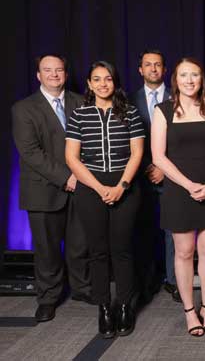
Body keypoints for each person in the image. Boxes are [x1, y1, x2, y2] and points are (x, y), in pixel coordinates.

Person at [65, 61, 145, 338]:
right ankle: (104, 308)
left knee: (122, 249)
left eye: (107, 79)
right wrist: (99, 188)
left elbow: (137, 153)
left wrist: (122, 185)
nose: (102, 84)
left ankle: (124, 305)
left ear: (115, 82)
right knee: (98, 251)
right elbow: (71, 158)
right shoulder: (78, 115)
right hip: (91, 186)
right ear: (88, 84)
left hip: (125, 185)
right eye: (96, 79)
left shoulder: (131, 113)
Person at [151, 57, 205, 337]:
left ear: (202, 79)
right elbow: (158, 156)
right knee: (184, 252)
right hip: (178, 190)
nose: (189, 80)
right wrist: (188, 185)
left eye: (194, 75)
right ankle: (189, 311)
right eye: (184, 75)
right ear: (176, 79)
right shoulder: (163, 111)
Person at [11, 54, 91, 323]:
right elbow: (31, 152)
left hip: (81, 187)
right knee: (46, 249)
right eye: (48, 70)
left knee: (80, 244)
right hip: (43, 190)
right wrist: (67, 177)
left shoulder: (82, 102)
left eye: (59, 70)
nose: (54, 74)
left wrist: (83, 177)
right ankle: (48, 298)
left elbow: (90, 144)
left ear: (66, 74)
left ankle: (82, 289)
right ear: (38, 75)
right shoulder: (23, 109)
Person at [129, 49, 178, 304]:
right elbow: (126, 141)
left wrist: (163, 167)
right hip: (140, 175)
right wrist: (149, 166)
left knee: (174, 229)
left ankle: (173, 280)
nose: (153, 69)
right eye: (148, 65)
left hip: (171, 174)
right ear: (141, 70)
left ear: (164, 69)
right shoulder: (127, 100)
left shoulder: (178, 98)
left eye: (157, 65)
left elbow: (183, 140)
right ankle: (148, 280)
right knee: (144, 229)